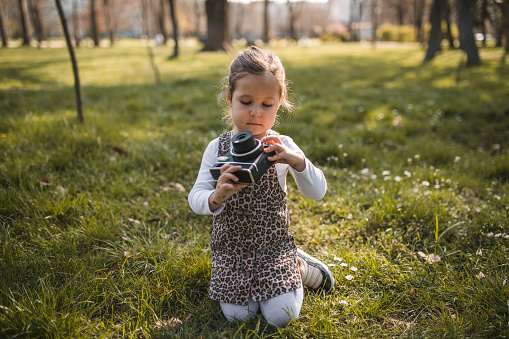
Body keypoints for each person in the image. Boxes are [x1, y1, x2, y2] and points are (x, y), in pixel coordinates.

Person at [188, 46, 334, 328]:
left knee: (281, 317)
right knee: (239, 317)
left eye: (267, 105)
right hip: (232, 252)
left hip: (273, 248)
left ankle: (298, 265)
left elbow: (317, 192)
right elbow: (195, 196)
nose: (256, 113)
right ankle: (292, 269)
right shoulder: (217, 149)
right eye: (246, 101)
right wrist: (216, 196)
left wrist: (297, 162)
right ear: (229, 98)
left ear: (280, 102)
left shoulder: (282, 146)